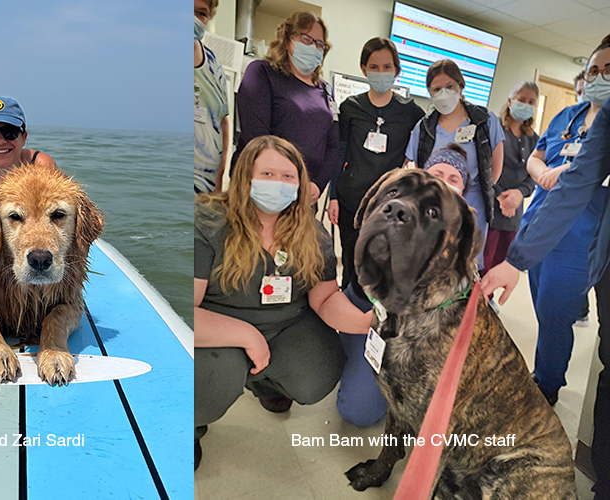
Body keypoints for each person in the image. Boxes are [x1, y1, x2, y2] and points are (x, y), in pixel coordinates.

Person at [194, 135, 372, 469]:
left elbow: (326, 298)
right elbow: (183, 314)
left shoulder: (312, 233)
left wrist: (366, 322)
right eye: (268, 175)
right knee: (208, 381)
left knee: (317, 373)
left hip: (286, 323)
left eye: (289, 177)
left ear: (301, 184)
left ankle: (266, 383)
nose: (279, 184)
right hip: (216, 329)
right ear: (245, 176)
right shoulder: (208, 222)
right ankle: (192, 427)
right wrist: (247, 336)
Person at [482, 40, 610, 500]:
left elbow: (578, 182)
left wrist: (564, 172)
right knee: (541, 307)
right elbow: (542, 157)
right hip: (539, 223)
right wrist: (538, 174)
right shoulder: (570, 117)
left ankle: (547, 384)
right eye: (593, 68)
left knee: (557, 311)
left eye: (607, 69)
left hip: (578, 235)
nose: (597, 76)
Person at [325, 37, 424, 427]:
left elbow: (410, 159)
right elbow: (339, 153)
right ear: (364, 68)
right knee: (353, 274)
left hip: (386, 209)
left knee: (380, 273)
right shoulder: (351, 108)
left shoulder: (411, 112)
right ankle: (353, 337)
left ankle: (379, 340)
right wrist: (333, 195)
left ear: (396, 70)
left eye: (388, 67)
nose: (381, 73)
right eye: (374, 66)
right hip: (351, 203)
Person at [404, 59, 504, 270]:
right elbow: (414, 170)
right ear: (430, 93)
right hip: (435, 209)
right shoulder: (424, 128)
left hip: (473, 208)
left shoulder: (485, 121)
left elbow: (494, 170)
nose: (444, 93)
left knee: (465, 268)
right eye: (437, 89)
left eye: (450, 86)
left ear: (461, 86)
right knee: (432, 265)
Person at [232, 11, 338, 204]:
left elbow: (333, 145)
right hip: (262, 187)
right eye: (306, 38)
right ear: (288, 40)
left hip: (304, 194)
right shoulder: (262, 73)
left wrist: (317, 185)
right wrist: (284, 180)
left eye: (319, 43)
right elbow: (256, 136)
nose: (313, 47)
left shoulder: (326, 91)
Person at [483, 82, 539, 279]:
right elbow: (483, 168)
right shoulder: (492, 128)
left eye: (531, 102)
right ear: (510, 101)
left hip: (513, 211)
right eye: (522, 100)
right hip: (490, 206)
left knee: (500, 261)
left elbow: (534, 176)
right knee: (482, 258)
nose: (526, 104)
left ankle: (486, 299)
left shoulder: (534, 139)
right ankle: (473, 301)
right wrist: (501, 196)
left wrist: (519, 194)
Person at [194, 0, 230, 194]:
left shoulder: (214, 63)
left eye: (201, 13)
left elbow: (223, 120)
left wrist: (220, 176)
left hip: (206, 186)